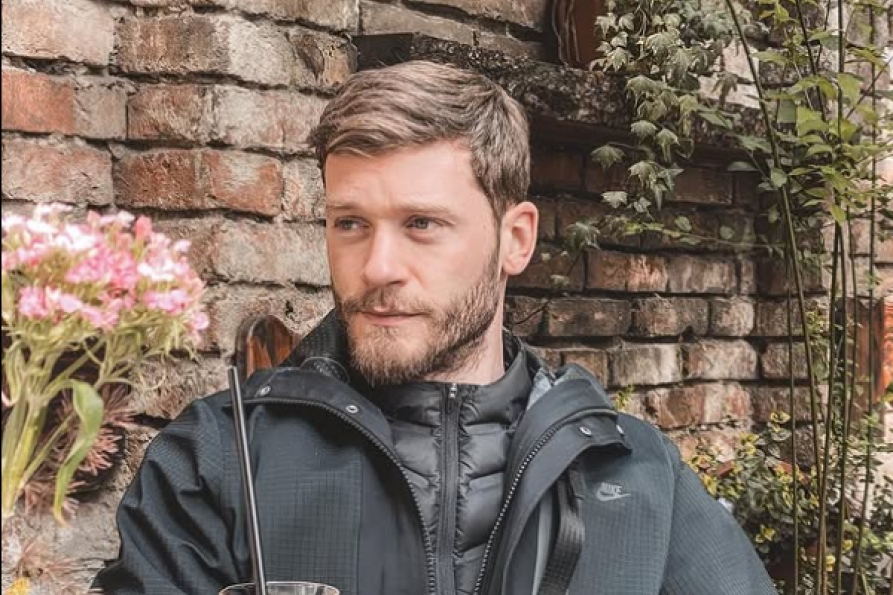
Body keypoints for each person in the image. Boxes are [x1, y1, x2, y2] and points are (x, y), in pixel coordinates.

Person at [94, 60, 777, 595]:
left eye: (421, 224)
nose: (377, 266)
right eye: (350, 223)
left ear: (515, 239)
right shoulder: (218, 458)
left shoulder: (635, 474)